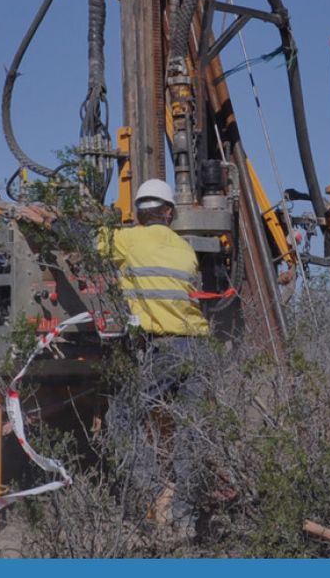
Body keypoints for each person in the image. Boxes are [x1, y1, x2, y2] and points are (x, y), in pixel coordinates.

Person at [98, 179, 209, 536]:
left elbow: (86, 242)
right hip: (199, 350)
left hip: (165, 349)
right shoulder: (185, 249)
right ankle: (184, 518)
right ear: (170, 213)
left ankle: (149, 496)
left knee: (122, 416)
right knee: (192, 435)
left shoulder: (129, 240)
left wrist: (53, 221)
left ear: (138, 214)